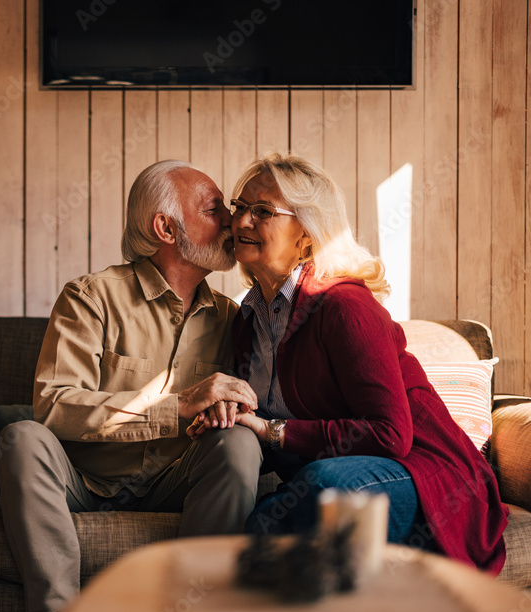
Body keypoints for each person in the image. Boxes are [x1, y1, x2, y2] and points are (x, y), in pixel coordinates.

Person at [188, 152, 508, 573]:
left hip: (427, 475)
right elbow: (264, 426)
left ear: (306, 233)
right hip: (327, 478)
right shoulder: (246, 320)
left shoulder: (343, 306)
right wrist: (229, 418)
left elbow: (391, 435)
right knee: (280, 511)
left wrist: (271, 431)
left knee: (319, 490)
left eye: (262, 211)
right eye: (240, 207)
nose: (241, 222)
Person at [0, 160, 263, 612]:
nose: (231, 221)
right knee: (21, 439)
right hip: (84, 481)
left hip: (177, 482)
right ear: (165, 227)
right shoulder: (90, 297)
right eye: (214, 209)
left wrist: (228, 409)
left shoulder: (233, 318)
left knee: (239, 443)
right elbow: (55, 405)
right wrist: (179, 406)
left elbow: (242, 409)